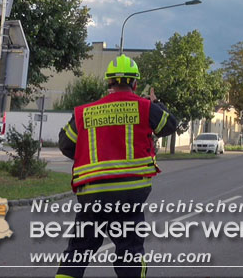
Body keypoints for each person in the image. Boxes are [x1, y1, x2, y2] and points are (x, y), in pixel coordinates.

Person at [55, 54, 178, 278]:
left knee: (77, 252)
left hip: (91, 195)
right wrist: (155, 103)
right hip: (129, 196)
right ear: (135, 83)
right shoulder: (144, 107)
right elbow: (170, 125)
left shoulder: (86, 112)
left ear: (108, 82)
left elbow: (65, 144)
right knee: (129, 252)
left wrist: (88, 158)